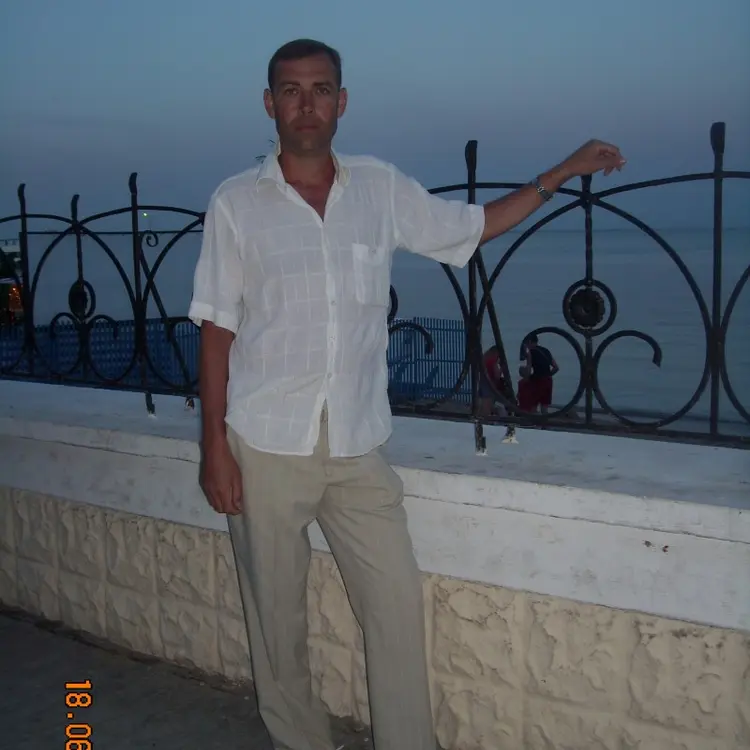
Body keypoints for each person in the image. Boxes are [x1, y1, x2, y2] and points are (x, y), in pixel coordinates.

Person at [189, 37, 625, 750]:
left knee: (395, 606)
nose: (307, 104)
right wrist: (213, 445)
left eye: (321, 89)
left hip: (357, 443)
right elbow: (217, 327)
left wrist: (561, 173)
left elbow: (473, 227)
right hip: (264, 442)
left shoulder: (379, 187)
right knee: (276, 626)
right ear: (269, 104)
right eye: (292, 90)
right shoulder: (236, 203)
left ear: (342, 102)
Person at [521, 334, 559, 413]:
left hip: (537, 380)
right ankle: (545, 421)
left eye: (526, 344)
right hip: (548, 380)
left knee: (533, 405)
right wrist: (547, 375)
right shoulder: (546, 350)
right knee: (544, 406)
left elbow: (528, 371)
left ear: (529, 342)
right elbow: (556, 368)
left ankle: (533, 420)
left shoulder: (530, 353)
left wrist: (524, 380)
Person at [478, 344, 508, 416]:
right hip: (489, 385)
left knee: (483, 405)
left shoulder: (484, 358)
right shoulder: (493, 361)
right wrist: (502, 369)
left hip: (482, 383)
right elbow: (497, 376)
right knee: (487, 407)